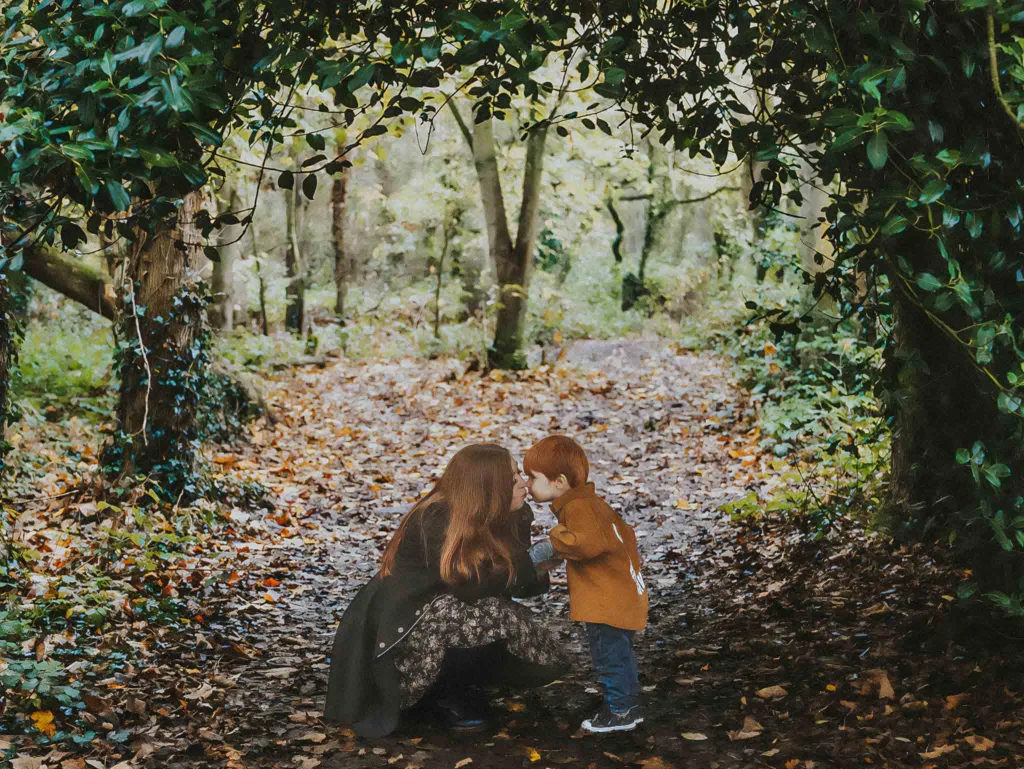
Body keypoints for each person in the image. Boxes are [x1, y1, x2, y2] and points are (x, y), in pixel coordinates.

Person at [323, 444, 565, 737]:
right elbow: (469, 586)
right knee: (488, 615)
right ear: (489, 486)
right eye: (514, 477)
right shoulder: (435, 517)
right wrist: (531, 560)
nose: (524, 484)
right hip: (402, 629)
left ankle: (462, 685)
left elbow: (514, 584)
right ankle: (439, 695)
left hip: (445, 618)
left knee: (538, 649)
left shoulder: (508, 514)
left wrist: (541, 566)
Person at [524, 435, 648, 733]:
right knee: (620, 654)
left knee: (608, 656)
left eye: (532, 477)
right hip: (618, 595)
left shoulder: (579, 507)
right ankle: (629, 704)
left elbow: (587, 544)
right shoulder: (588, 504)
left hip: (606, 600)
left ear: (559, 481)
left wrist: (553, 544)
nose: (527, 483)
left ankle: (619, 712)